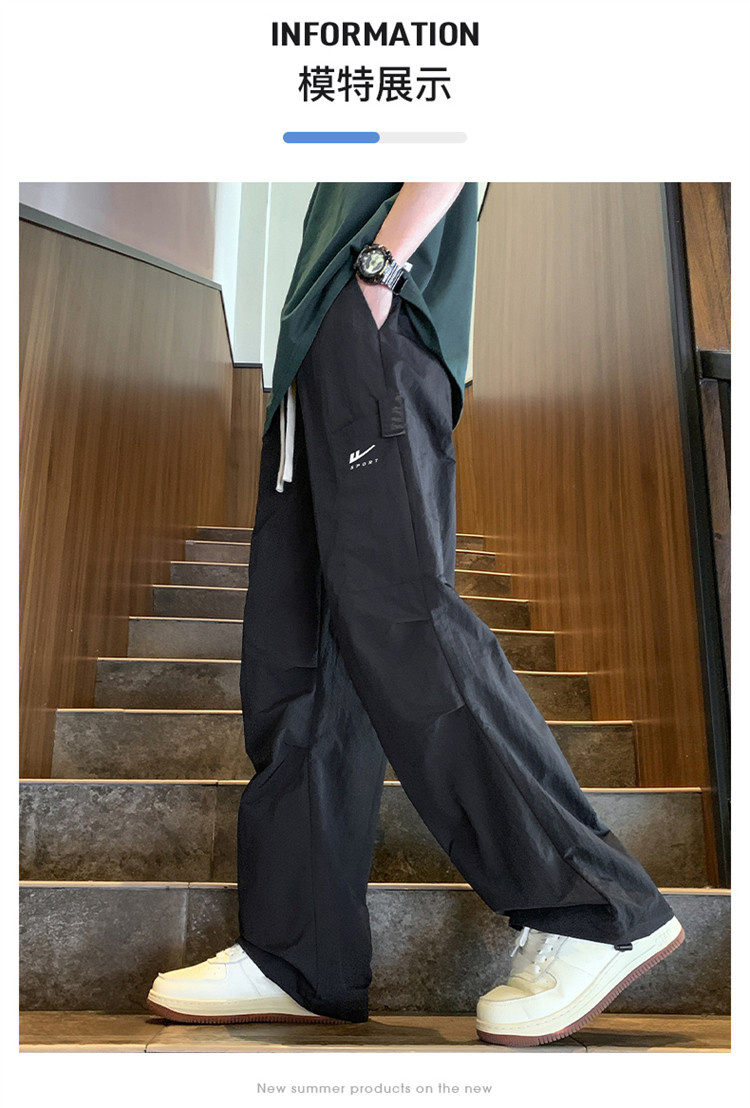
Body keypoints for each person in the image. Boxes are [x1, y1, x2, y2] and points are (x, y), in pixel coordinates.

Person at [146, 183, 684, 1047]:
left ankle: (596, 908)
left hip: (375, 316)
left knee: (406, 620)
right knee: (300, 653)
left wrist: (380, 266)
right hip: (318, 347)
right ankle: (300, 955)